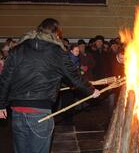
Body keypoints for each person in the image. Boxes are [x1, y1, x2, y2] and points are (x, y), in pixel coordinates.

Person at [0, 18, 100, 153]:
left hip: (17, 112)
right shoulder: (57, 52)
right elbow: (74, 77)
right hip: (40, 113)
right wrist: (91, 90)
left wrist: (1, 105)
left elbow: (5, 78)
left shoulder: (18, 49)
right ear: (56, 34)